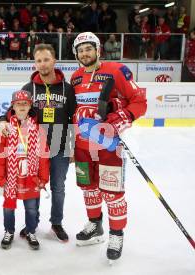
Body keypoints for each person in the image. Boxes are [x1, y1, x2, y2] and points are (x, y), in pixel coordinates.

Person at [70, 32, 147, 261]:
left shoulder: (116, 71)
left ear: (98, 50)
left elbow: (139, 101)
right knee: (88, 188)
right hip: (83, 146)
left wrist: (120, 115)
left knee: (112, 192)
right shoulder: (75, 77)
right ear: (76, 54)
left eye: (88, 48)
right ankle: (95, 225)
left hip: (108, 146)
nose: (85, 53)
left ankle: (116, 234)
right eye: (80, 50)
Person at [0, 44, 76, 243]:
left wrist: (74, 145)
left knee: (58, 187)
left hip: (60, 146)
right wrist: (2, 121)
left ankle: (56, 223)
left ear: (54, 61)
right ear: (35, 63)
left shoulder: (67, 88)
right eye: (39, 60)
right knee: (35, 184)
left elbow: (74, 119)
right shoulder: (28, 88)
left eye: (46, 59)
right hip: (34, 149)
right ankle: (33, 223)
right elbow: (11, 112)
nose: (43, 64)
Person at [0, 90, 50, 250]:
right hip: (11, 176)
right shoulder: (6, 129)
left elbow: (44, 155)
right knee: (8, 207)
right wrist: (0, 178)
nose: (22, 106)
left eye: (25, 103)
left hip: (30, 176)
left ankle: (31, 231)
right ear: (13, 106)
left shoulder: (38, 129)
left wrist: (43, 178)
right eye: (19, 104)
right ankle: (9, 231)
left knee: (31, 208)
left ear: (30, 105)